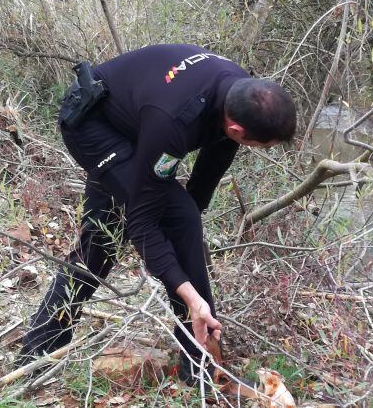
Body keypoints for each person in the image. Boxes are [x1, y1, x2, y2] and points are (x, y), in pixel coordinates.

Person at [19, 44, 296, 385]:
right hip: (92, 124)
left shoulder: (237, 92)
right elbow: (143, 222)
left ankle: (35, 353)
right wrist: (190, 293)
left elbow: (211, 166)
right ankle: (198, 367)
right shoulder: (175, 120)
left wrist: (187, 234)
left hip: (134, 123)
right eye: (261, 145)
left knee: (139, 232)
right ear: (239, 130)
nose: (258, 150)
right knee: (173, 219)